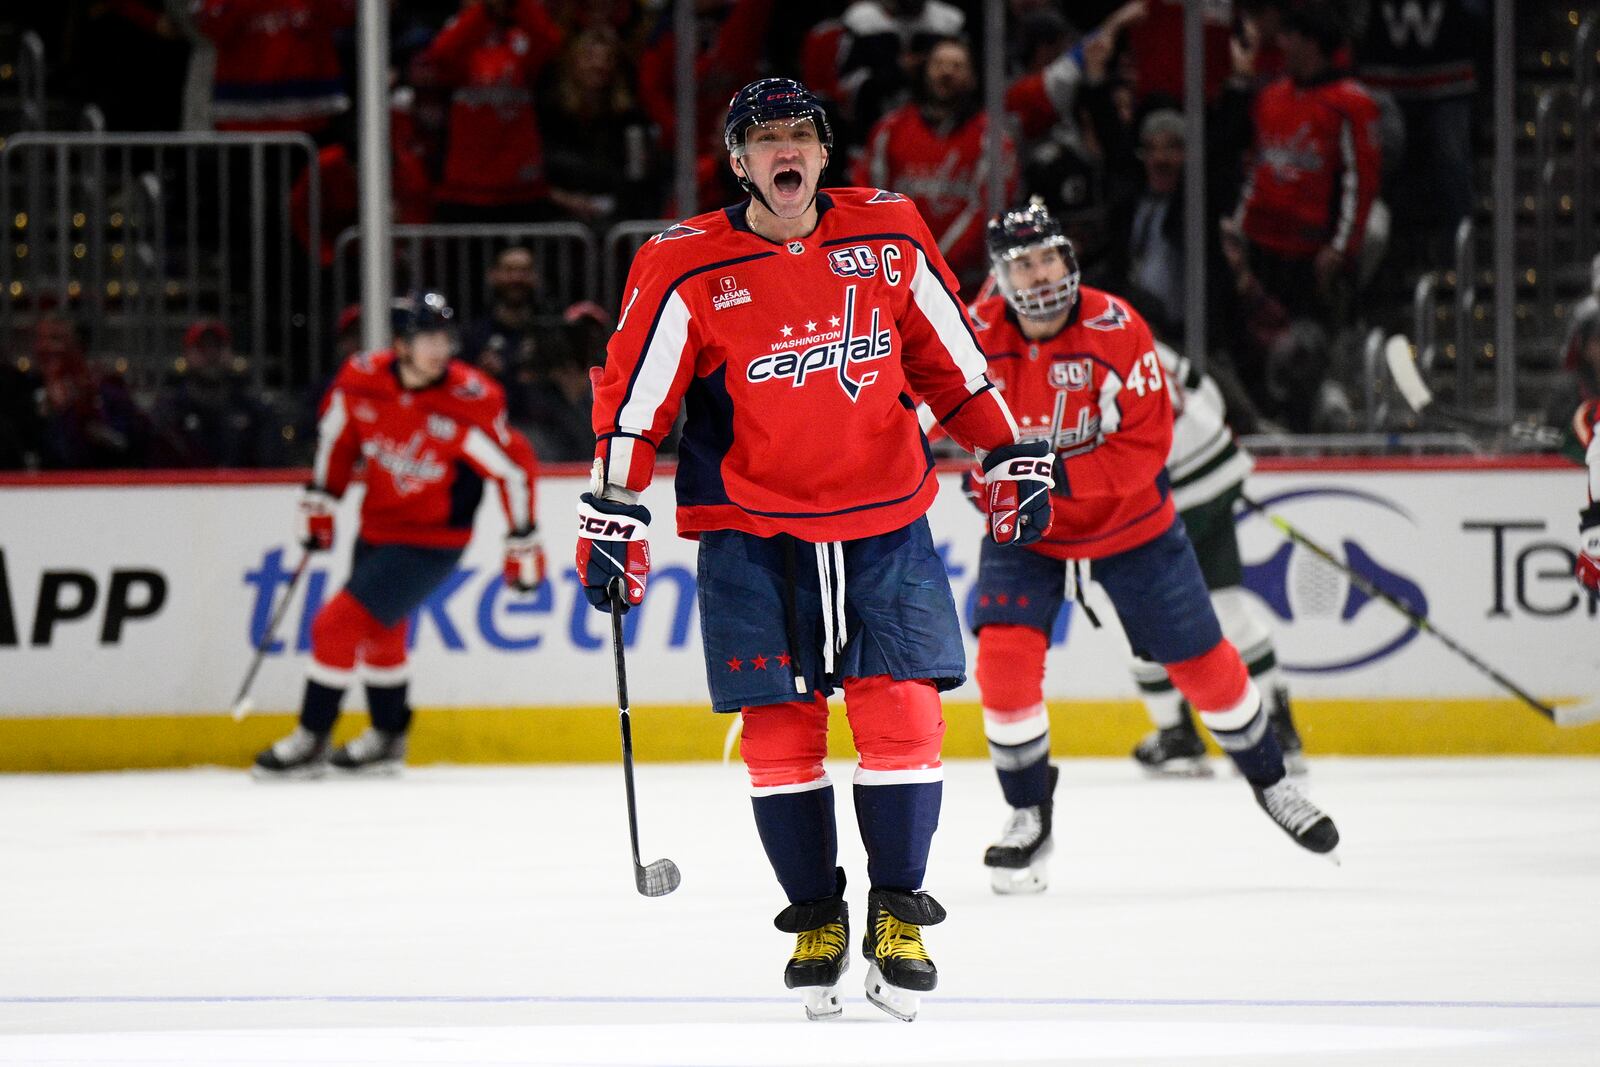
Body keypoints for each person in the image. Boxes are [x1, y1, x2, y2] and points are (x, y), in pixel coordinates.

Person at [578, 78, 1052, 1022]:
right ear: (739, 161)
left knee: (906, 716)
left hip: (884, 515)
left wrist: (1005, 443)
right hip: (752, 532)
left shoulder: (890, 232)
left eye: (801, 134)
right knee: (780, 733)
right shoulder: (683, 264)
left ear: (825, 153)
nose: (784, 150)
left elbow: (950, 358)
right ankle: (817, 920)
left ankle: (897, 915)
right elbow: (637, 401)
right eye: (765, 139)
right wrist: (613, 507)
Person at [965, 199, 1338, 895]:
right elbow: (924, 408)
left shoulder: (1116, 326)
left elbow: (1142, 452)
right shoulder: (974, 331)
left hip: (1131, 525)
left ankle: (1272, 781)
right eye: (1022, 262)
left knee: (1206, 666)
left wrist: (1043, 472)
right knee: (1003, 664)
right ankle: (1027, 814)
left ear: (1070, 259)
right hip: (1026, 529)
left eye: (1048, 255)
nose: (1040, 272)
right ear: (1000, 276)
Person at [254, 293, 545, 779]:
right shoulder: (361, 380)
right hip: (376, 530)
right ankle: (388, 737)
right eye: (424, 338)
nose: (438, 348)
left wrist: (521, 542)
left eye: (443, 337)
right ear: (400, 344)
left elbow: (514, 468)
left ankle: (311, 738)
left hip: (433, 543)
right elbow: (337, 440)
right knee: (381, 635)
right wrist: (322, 502)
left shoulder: (470, 398)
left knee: (335, 628)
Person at [1127, 339, 1304, 778]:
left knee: (1136, 615)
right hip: (1214, 466)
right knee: (1225, 605)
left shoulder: (1065, 353)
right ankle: (1278, 728)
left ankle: (1177, 734)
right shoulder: (1127, 323)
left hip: (1163, 493)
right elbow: (1204, 387)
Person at [854, 36, 1016, 295]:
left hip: (966, 288)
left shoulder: (993, 139)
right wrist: (898, 258)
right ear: (925, 71)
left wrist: (934, 264)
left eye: (957, 65)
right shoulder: (890, 130)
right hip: (896, 278)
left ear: (973, 77)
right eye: (939, 64)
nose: (947, 73)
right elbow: (868, 198)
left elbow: (988, 209)